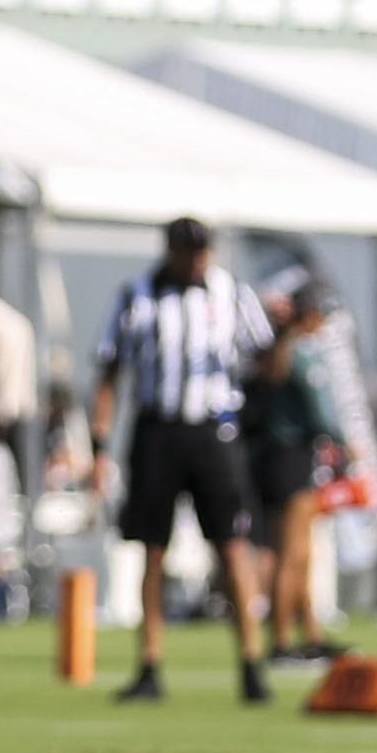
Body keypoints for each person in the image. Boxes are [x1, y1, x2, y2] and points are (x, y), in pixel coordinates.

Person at [86, 215, 277, 704]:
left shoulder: (231, 294)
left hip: (214, 432)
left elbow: (268, 361)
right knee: (151, 549)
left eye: (203, 252)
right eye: (188, 252)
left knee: (233, 545)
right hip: (158, 432)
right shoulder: (138, 297)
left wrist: (291, 332)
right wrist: (99, 447)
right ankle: (149, 663)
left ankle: (252, 662)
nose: (197, 261)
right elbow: (109, 372)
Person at [244, 270, 345, 664]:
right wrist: (343, 442)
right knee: (296, 552)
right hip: (292, 457)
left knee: (279, 550)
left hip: (267, 458)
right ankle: (283, 641)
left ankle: (309, 635)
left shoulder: (274, 353)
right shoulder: (302, 353)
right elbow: (323, 413)